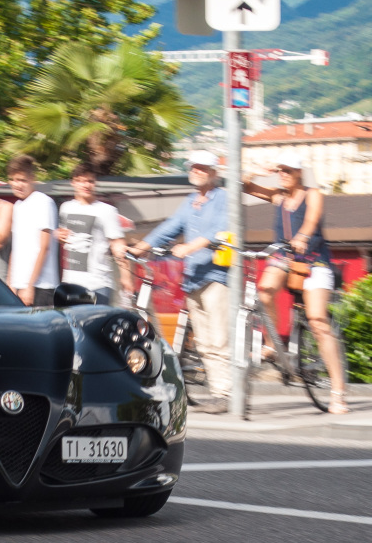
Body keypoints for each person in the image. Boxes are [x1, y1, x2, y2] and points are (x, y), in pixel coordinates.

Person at [244, 152, 349, 414]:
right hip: (284, 257)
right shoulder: (278, 196)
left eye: (288, 171)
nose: (283, 175)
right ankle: (271, 344)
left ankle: (338, 392)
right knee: (265, 291)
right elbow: (245, 186)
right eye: (280, 170)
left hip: (314, 260)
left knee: (317, 320)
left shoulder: (312, 194)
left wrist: (302, 236)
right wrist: (260, 169)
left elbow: (312, 219)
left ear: (299, 173)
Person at [132, 151, 231, 402]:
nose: (197, 171)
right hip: (193, 276)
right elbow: (170, 227)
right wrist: (138, 248)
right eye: (193, 167)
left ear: (213, 173)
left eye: (203, 168)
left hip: (216, 276)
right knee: (205, 340)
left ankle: (225, 393)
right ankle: (218, 391)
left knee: (219, 337)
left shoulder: (223, 198)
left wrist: (190, 247)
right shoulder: (189, 201)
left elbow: (220, 230)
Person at [56, 163, 131, 306]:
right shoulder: (65, 208)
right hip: (69, 283)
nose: (86, 185)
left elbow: (118, 246)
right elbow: (65, 239)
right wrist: (59, 236)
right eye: (81, 181)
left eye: (90, 181)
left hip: (97, 283)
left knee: (95, 328)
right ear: (73, 182)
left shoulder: (107, 211)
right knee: (69, 327)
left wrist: (126, 278)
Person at [5, 155, 58, 306]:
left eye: (22, 180)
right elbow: (16, 248)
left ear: (32, 178)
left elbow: (44, 247)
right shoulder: (18, 206)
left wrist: (30, 286)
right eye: (14, 179)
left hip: (41, 286)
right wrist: (10, 282)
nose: (18, 184)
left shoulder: (43, 202)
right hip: (18, 285)